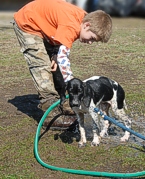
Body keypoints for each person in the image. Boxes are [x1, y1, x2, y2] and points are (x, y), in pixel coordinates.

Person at [13, 0, 112, 130]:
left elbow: (60, 39)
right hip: (28, 23)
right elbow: (63, 57)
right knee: (41, 65)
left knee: (57, 66)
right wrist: (73, 86)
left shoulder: (84, 21)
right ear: (87, 26)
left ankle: (65, 102)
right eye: (92, 38)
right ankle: (50, 112)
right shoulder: (71, 26)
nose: (90, 43)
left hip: (45, 25)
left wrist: (55, 53)